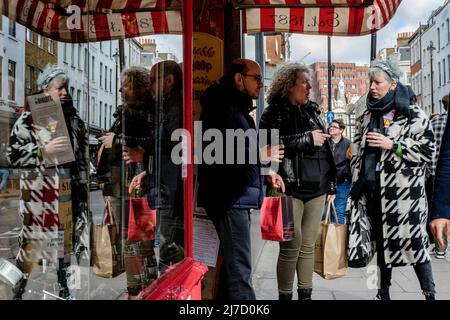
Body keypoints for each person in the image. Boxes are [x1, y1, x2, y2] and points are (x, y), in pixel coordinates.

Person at [347, 58, 436, 300]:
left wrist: (393, 145)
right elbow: (358, 151)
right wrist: (357, 184)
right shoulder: (365, 114)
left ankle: (430, 293)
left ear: (393, 84)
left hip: (405, 198)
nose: (372, 87)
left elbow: (428, 151)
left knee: (416, 248)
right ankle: (381, 293)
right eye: (370, 82)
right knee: (379, 249)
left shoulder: (411, 113)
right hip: (373, 192)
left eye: (378, 82)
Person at [8, 64, 89, 299]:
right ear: (45, 90)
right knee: (30, 248)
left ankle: (65, 291)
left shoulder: (75, 122)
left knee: (64, 248)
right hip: (39, 197)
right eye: (59, 88)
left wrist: (83, 195)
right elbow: (13, 155)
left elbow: (82, 161)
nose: (65, 92)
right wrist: (43, 151)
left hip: (67, 196)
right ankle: (17, 292)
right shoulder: (28, 119)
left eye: (67, 88)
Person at [259, 62, 337, 300]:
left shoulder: (313, 112)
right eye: (303, 82)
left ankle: (305, 295)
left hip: (317, 188)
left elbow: (327, 152)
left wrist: (331, 184)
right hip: (288, 187)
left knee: (308, 245)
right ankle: (285, 296)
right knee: (292, 245)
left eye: (308, 82)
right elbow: (266, 146)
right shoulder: (273, 112)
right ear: (289, 85)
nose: (308, 87)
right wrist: (305, 139)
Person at [196, 58, 265, 300]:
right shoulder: (223, 108)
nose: (262, 84)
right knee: (240, 272)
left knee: (232, 271)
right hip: (230, 198)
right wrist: (259, 154)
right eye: (256, 78)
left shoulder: (234, 108)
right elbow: (217, 153)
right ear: (239, 79)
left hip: (233, 197)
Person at [96, 66, 157, 299]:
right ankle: (139, 288)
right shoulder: (126, 113)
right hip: (123, 188)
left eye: (126, 84)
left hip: (136, 188)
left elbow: (151, 143)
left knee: (138, 241)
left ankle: (140, 290)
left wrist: (117, 139)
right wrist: (107, 187)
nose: (120, 89)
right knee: (132, 242)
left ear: (136, 87)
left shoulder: (144, 112)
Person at [127, 61, 185, 274]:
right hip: (166, 185)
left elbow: (176, 144)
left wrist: (146, 154)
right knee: (165, 243)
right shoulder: (165, 105)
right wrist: (146, 169)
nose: (150, 86)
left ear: (169, 81)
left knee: (167, 246)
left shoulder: (176, 108)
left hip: (171, 188)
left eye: (153, 80)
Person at [426, 95, 449, 258]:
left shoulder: (434, 122)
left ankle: (440, 246)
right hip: (442, 172)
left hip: (435, 173)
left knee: (436, 212)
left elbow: (427, 149)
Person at [324, 119, 351, 224]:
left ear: (341, 130)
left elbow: (352, 164)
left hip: (342, 183)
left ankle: (338, 238)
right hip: (325, 182)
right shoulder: (324, 143)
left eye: (334, 127)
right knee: (324, 212)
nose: (331, 128)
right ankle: (324, 239)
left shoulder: (348, 144)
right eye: (330, 126)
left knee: (339, 211)